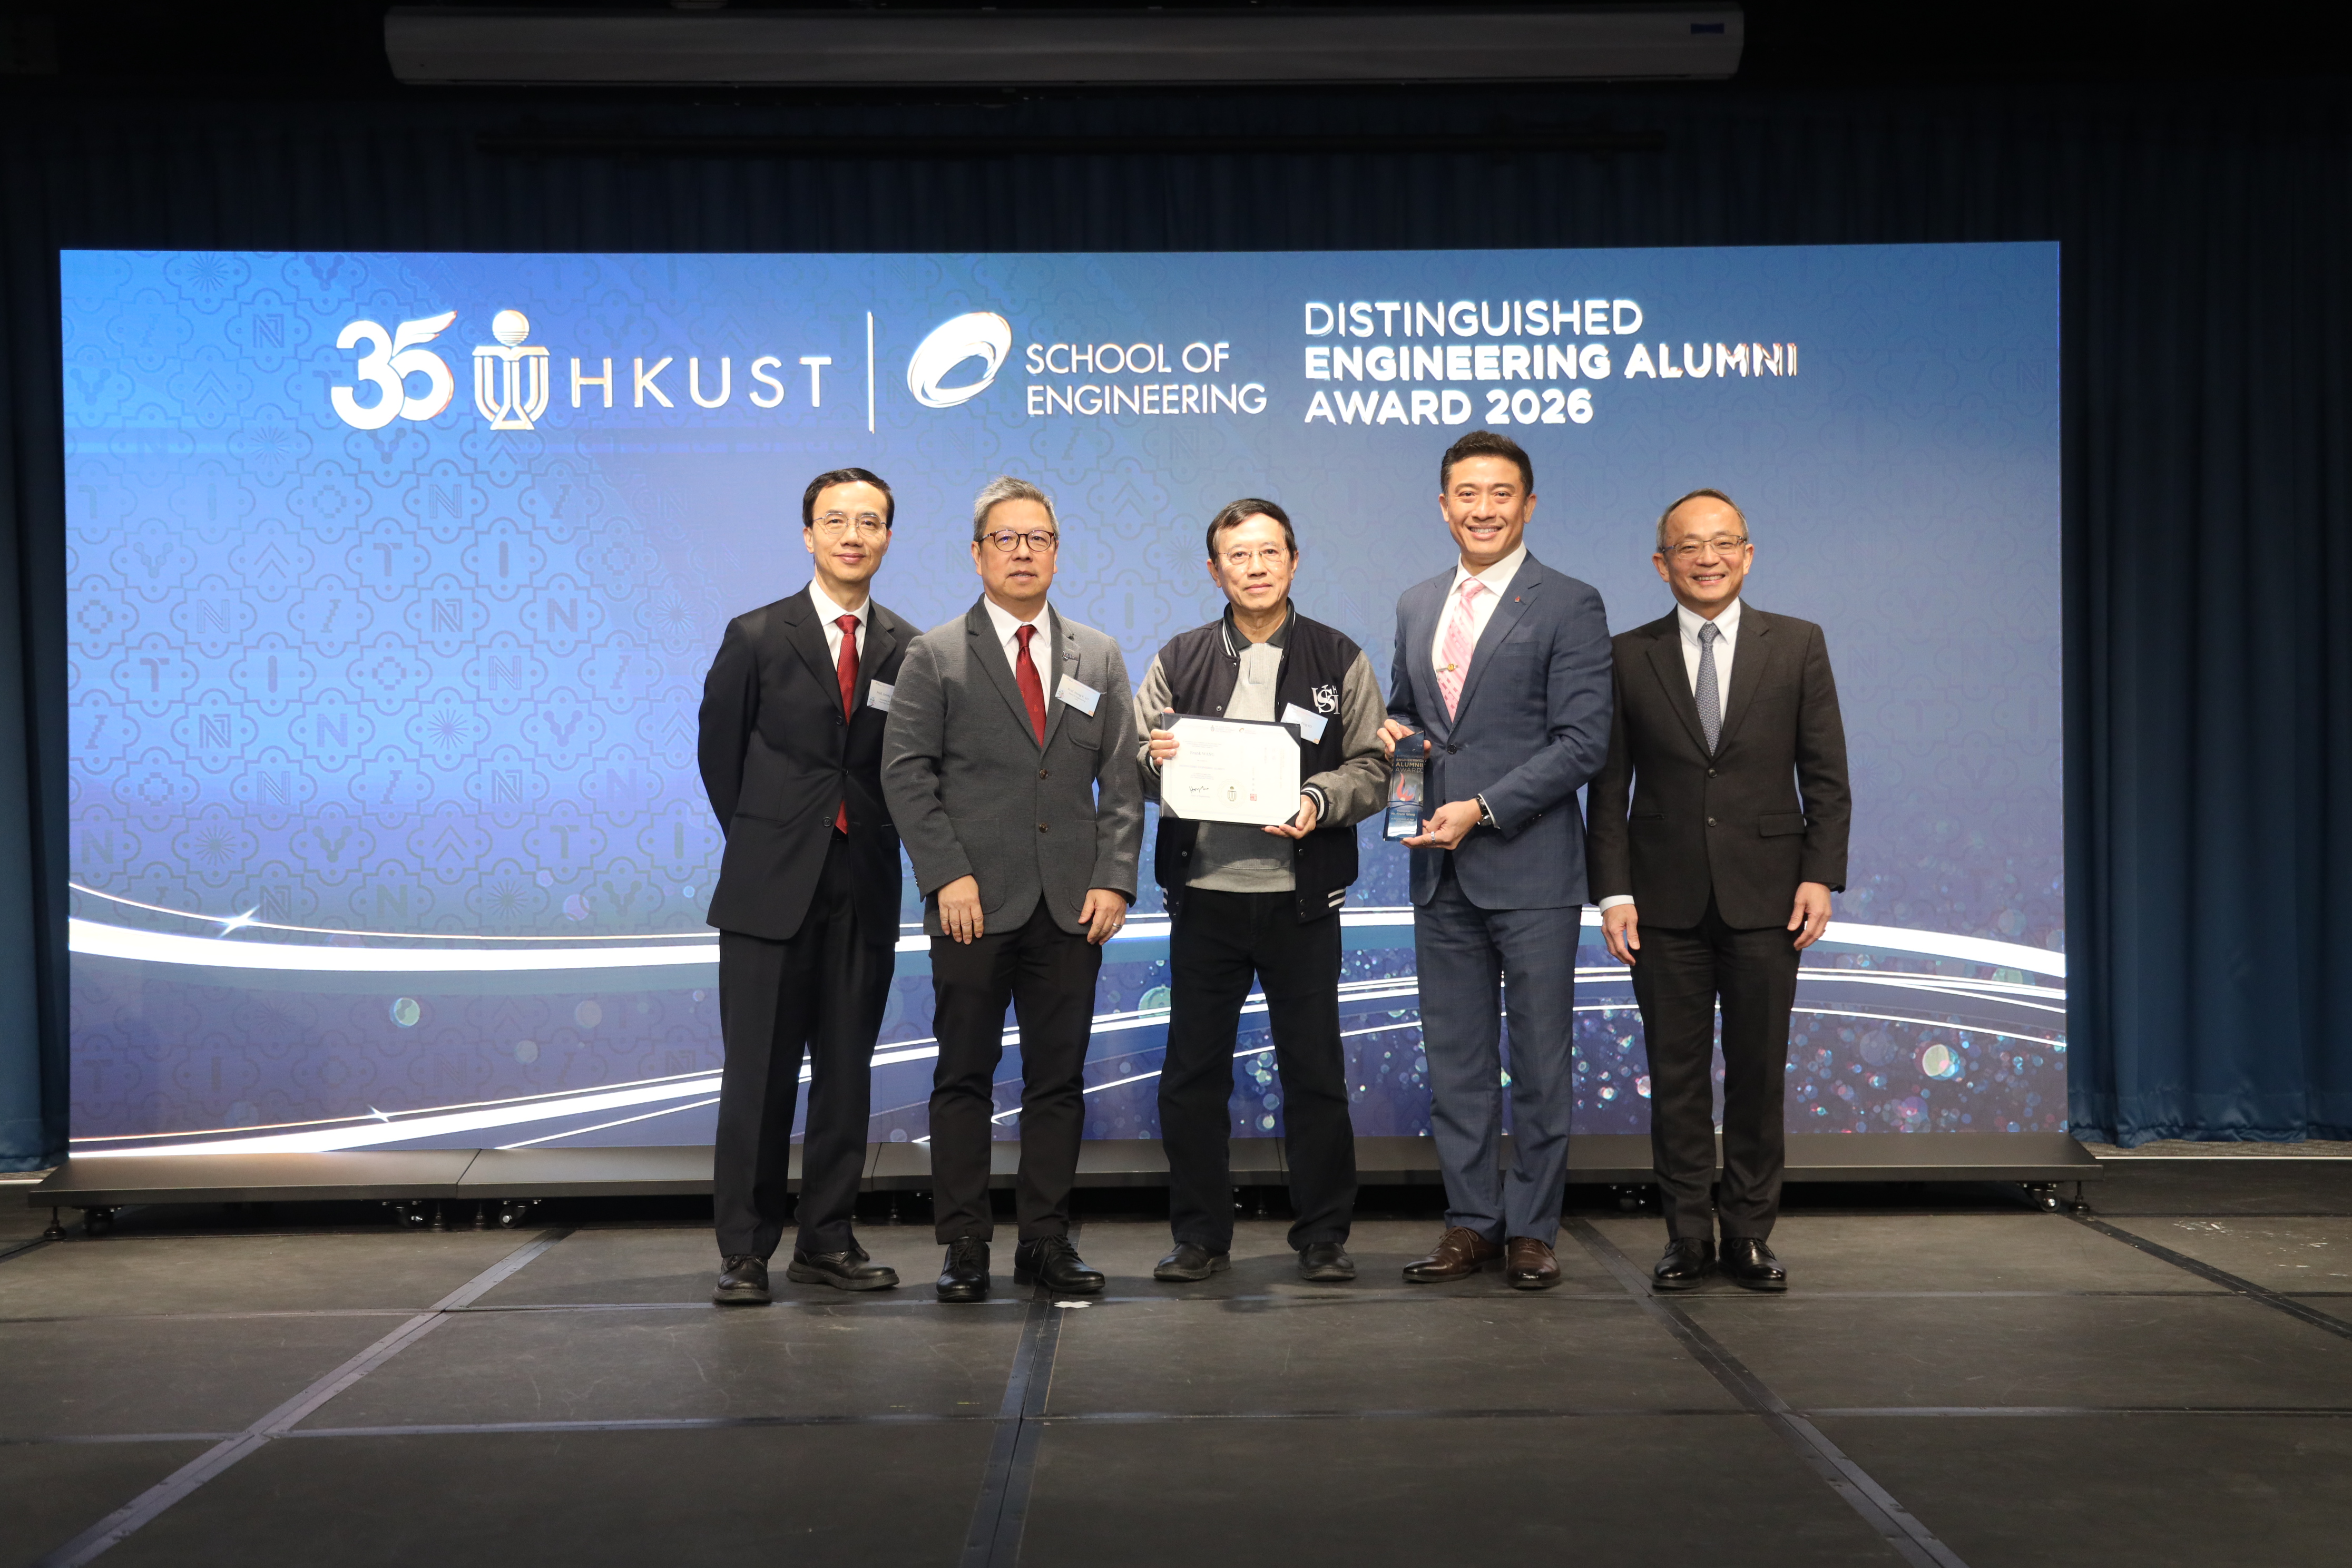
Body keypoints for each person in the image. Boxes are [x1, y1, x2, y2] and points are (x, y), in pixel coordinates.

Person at [881, 477, 1145, 1302]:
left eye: (1038, 538)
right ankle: (964, 1243)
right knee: (962, 1077)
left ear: (1057, 553)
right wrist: (946, 875)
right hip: (971, 904)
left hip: (1072, 907)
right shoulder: (935, 653)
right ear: (977, 553)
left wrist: (1115, 879)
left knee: (1057, 1082)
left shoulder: (1096, 655)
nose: (1023, 551)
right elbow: (906, 775)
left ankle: (1046, 1241)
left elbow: (1124, 781)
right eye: (1007, 538)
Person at [1586, 488, 1850, 1292]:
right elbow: (1608, 788)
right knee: (1675, 1075)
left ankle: (1749, 1234)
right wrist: (1612, 892)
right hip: (1659, 904)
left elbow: (1827, 779)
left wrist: (1819, 875)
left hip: (1770, 898)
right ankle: (1686, 1235)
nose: (1708, 559)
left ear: (1748, 553)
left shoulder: (1798, 644)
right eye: (1689, 547)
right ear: (1661, 562)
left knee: (1759, 1071)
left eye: (1723, 543)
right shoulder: (1627, 654)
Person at [1133, 498, 1391, 1286]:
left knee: (1313, 1071)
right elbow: (1139, 762)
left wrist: (1318, 802)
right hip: (1206, 896)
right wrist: (1158, 758)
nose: (1254, 567)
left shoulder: (1337, 656)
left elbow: (1375, 771)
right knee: (1192, 1074)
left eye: (1268, 553)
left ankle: (1323, 1237)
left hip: (1301, 901)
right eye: (1237, 556)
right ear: (1215, 569)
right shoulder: (1179, 656)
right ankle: (1199, 1237)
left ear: (1293, 561)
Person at [1380, 430, 1613, 1291]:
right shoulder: (1413, 603)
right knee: (1457, 1063)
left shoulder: (1570, 603)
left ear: (1529, 505)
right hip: (1436, 870)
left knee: (1542, 1062)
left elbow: (1584, 742)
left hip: (1531, 867)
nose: (1483, 509)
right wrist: (1395, 736)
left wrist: (1481, 809)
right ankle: (1471, 1221)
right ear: (1444, 506)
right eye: (1467, 494)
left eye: (1501, 493)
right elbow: (1409, 714)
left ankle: (1533, 1229)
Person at [698, 467, 917, 1304]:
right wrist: (770, 843)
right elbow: (721, 760)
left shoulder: (908, 645)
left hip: (864, 885)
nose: (852, 535)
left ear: (888, 537)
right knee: (757, 1076)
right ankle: (745, 1251)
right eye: (836, 521)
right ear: (808, 535)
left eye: (869, 521)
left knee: (847, 1074)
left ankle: (828, 1239)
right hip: (767, 891)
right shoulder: (756, 635)